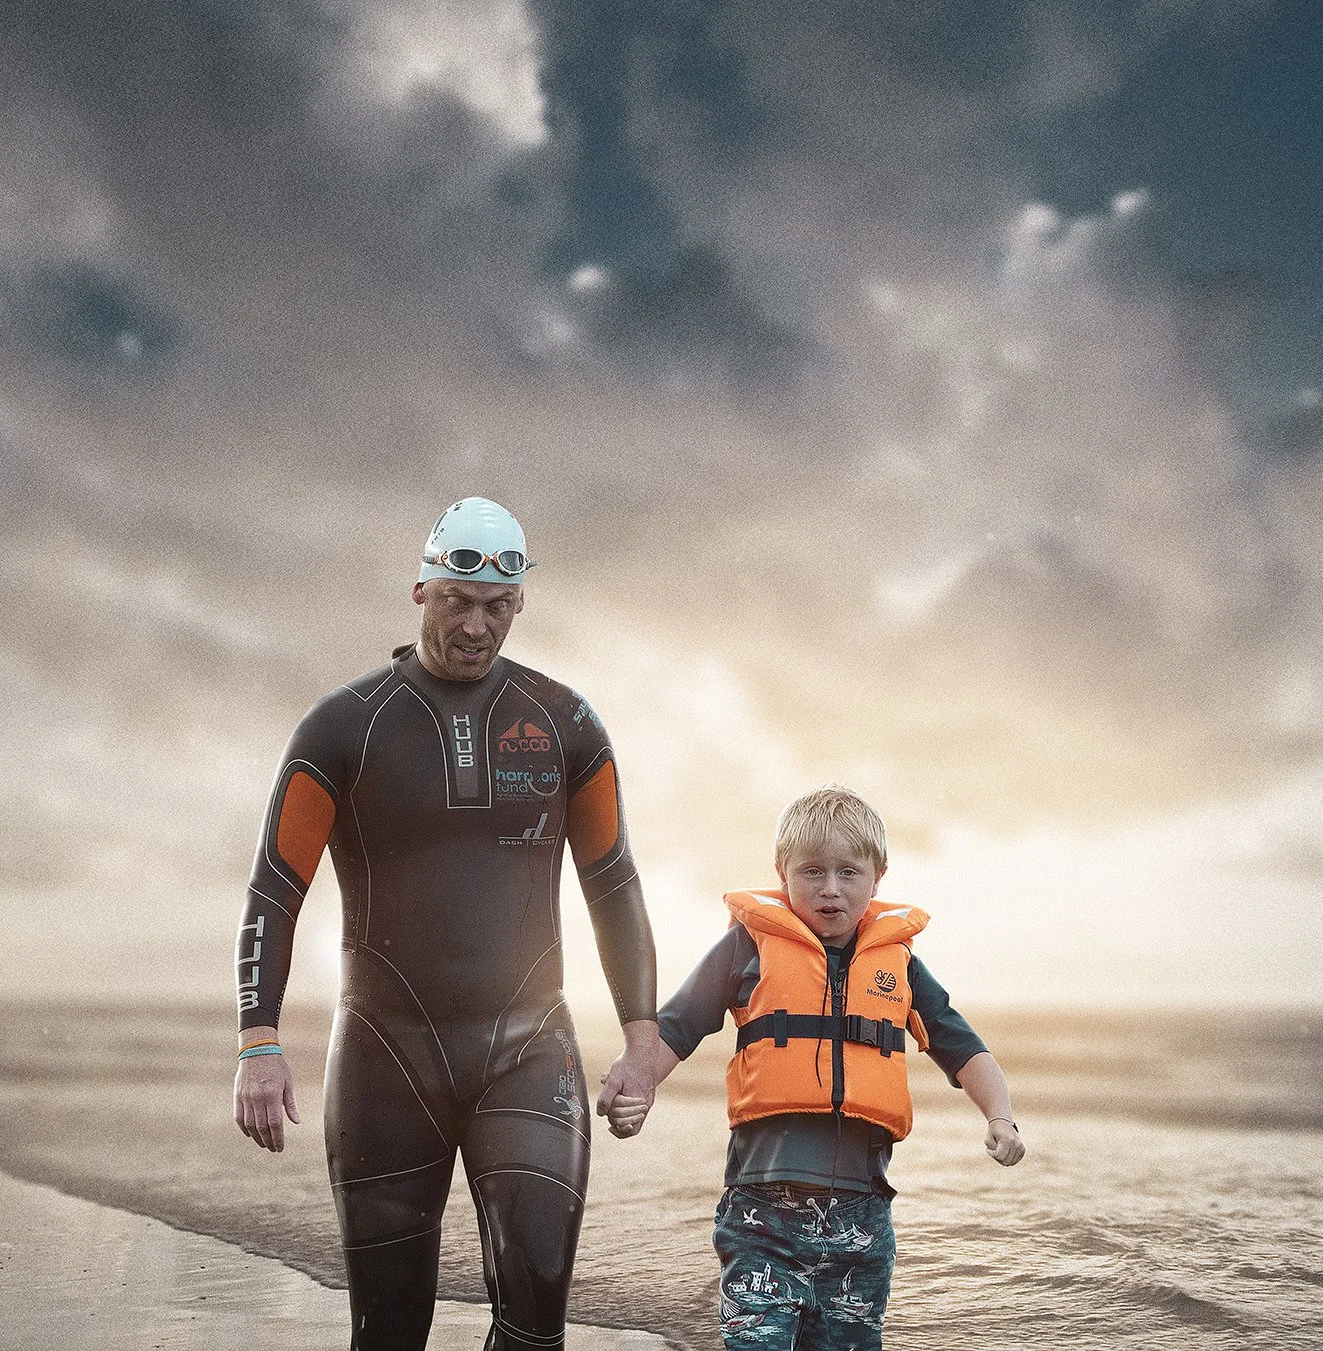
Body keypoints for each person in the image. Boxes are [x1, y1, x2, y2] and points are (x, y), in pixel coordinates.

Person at [233, 496, 665, 1351]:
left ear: (519, 602)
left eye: (496, 606)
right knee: (389, 1328)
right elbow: (275, 888)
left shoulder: (565, 723)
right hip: (385, 1055)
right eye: (459, 602)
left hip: (528, 1045)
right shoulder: (341, 726)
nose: (476, 626)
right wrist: (257, 1040)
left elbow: (611, 880)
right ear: (421, 590)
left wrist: (643, 1038)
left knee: (537, 1308)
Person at [593, 784, 1023, 1350]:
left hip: (862, 1220)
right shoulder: (747, 948)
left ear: (877, 878)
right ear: (782, 873)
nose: (829, 889)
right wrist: (636, 1081)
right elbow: (676, 1024)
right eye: (812, 871)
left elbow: (961, 1045)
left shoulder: (901, 966)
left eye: (848, 872)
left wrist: (1001, 1115)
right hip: (762, 1212)